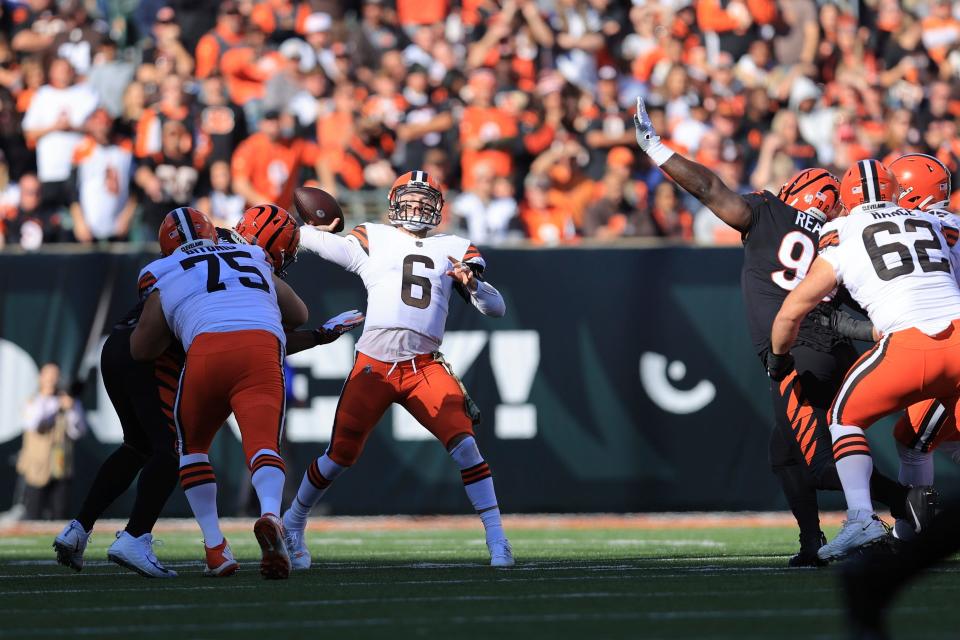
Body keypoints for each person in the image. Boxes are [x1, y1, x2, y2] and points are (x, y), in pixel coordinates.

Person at [632, 97, 909, 566]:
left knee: (821, 461)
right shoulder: (835, 234)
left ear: (795, 191)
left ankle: (906, 501)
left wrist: (657, 150)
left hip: (795, 349)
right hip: (834, 350)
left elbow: (710, 189)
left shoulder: (765, 211)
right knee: (783, 452)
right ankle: (810, 544)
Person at [284, 170, 515, 569]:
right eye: (409, 198)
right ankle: (293, 520)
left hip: (423, 366)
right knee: (339, 455)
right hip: (374, 364)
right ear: (393, 202)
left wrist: (474, 285)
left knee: (465, 445)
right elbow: (313, 241)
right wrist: (291, 226)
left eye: (425, 200)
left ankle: (498, 539)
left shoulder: (456, 245)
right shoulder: (373, 236)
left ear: (439, 208)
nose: (417, 206)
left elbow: (496, 308)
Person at [769, 159, 960, 561]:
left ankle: (861, 517)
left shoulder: (840, 231)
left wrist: (779, 354)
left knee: (844, 418)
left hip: (913, 340)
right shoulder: (928, 221)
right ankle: (911, 534)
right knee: (916, 440)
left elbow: (792, 309)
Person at [130, 206, 308, 580]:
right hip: (260, 347)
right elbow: (299, 314)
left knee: (192, 448)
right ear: (212, 232)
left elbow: (141, 350)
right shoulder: (251, 254)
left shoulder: (161, 271)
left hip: (206, 351)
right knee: (263, 446)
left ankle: (215, 548)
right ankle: (271, 514)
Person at [17, 363, 86, 520]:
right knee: (33, 512)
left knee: (60, 512)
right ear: (40, 377)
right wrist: (53, 403)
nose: (52, 379)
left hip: (60, 464)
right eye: (48, 375)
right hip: (37, 466)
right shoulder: (32, 401)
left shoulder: (69, 402)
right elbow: (34, 423)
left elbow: (78, 431)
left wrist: (72, 409)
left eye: (55, 376)